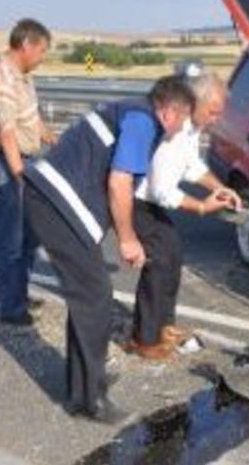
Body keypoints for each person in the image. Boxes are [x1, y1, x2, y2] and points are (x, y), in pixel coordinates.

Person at [22, 75, 195, 424]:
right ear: (171, 112)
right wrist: (129, 240)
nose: (183, 128)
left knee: (89, 296)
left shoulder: (132, 112)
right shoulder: (143, 122)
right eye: (185, 119)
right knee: (95, 296)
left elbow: (114, 182)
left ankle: (83, 384)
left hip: (53, 203)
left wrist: (124, 232)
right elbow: (119, 183)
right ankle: (89, 400)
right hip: (55, 205)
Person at [127, 69, 241, 360]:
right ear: (196, 102)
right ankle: (145, 338)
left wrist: (221, 188)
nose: (216, 119)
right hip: (136, 198)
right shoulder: (175, 130)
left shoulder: (193, 127)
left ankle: (164, 326)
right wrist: (202, 207)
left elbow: (192, 166)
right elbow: (162, 191)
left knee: (172, 252)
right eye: (213, 112)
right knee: (160, 258)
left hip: (151, 198)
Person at [0, 18, 56, 326]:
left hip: (26, 162)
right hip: (10, 165)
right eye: (41, 51)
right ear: (26, 45)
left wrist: (53, 137)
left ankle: (20, 295)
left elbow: (31, 118)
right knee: (11, 242)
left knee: (29, 239)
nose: (42, 58)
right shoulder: (3, 80)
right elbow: (8, 133)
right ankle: (11, 309)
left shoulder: (22, 76)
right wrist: (20, 175)